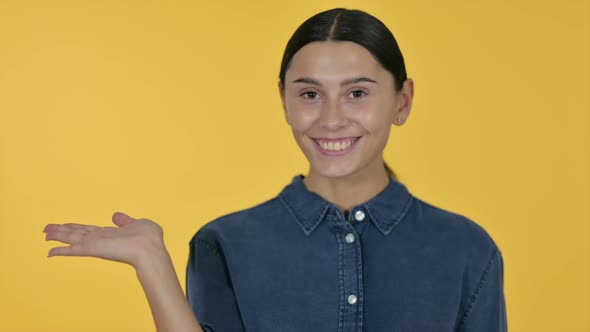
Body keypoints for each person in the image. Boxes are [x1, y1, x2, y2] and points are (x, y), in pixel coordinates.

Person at [43, 7, 508, 332]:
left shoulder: (467, 249)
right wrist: (152, 263)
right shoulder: (223, 244)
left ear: (402, 101)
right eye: (309, 94)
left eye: (357, 93)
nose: (330, 118)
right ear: (283, 100)